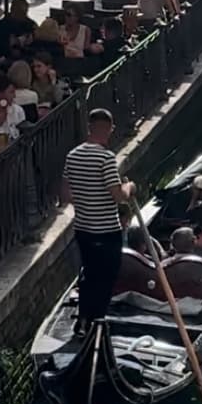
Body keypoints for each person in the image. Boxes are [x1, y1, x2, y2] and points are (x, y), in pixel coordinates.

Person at [61, 107, 134, 325]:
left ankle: (84, 320)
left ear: (89, 128)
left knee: (88, 274)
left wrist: (86, 200)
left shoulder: (72, 155)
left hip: (83, 229)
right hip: (107, 231)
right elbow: (119, 196)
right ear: (109, 129)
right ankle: (97, 322)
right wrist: (130, 187)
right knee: (105, 278)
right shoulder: (106, 158)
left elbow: (65, 194)